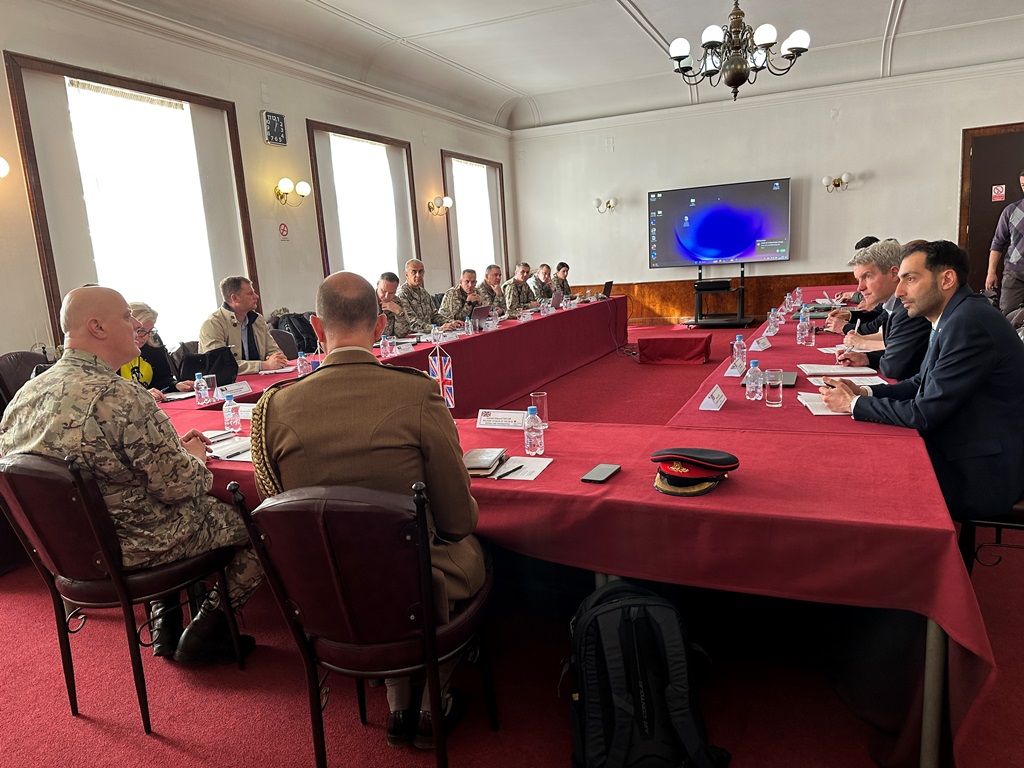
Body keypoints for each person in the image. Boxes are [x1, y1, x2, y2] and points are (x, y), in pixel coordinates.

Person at [250, 272, 485, 750]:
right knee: (460, 554)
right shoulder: (416, 392)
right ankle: (431, 700)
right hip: (415, 585)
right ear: (380, 327)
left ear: (316, 327)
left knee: (378, 565)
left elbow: (275, 512)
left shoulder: (273, 407)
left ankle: (398, 699)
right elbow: (458, 521)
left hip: (323, 590)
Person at [0, 286, 263, 663]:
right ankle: (209, 629)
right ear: (97, 327)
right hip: (135, 545)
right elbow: (181, 487)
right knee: (259, 523)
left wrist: (167, 450)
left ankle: (165, 620)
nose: (136, 326)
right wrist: (193, 457)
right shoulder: (118, 395)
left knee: (146, 495)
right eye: (127, 318)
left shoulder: (23, 398)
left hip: (66, 552)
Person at [819, 241, 1024, 521]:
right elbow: (920, 383)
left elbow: (924, 413)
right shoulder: (955, 314)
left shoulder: (967, 323)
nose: (899, 291)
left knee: (862, 484)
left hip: (981, 471)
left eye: (911, 279)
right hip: (964, 442)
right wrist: (865, 392)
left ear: (947, 279)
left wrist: (853, 404)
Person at [831, 240, 931, 380]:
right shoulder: (893, 305)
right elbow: (896, 352)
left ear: (894, 274)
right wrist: (866, 358)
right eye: (858, 280)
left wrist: (857, 338)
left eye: (867, 277)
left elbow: (894, 367)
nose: (860, 288)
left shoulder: (909, 309)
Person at [199, 276, 289, 374]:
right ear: (235, 298)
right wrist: (263, 365)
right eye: (250, 293)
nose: (256, 296)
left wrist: (276, 359)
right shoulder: (212, 324)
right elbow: (220, 365)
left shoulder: (257, 319)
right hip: (230, 382)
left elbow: (273, 350)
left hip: (262, 378)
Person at [119, 301, 194, 402]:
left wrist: (175, 385)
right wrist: (141, 394)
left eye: (150, 331)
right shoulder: (110, 351)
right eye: (140, 330)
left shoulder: (153, 340)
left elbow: (162, 378)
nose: (146, 337)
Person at [985, 170, 1024, 315]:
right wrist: (991, 272)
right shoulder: (1011, 211)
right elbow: (998, 243)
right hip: (1014, 273)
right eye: (1023, 185)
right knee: (1007, 316)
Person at [395, 259, 459, 334]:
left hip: (429, 334)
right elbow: (411, 322)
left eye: (420, 271)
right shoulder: (402, 294)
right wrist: (437, 329)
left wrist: (451, 322)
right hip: (413, 336)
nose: (418, 275)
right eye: (414, 272)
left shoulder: (423, 292)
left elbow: (434, 316)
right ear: (406, 274)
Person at [376, 271, 402, 337]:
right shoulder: (366, 301)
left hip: (390, 341)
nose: (386, 296)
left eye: (391, 293)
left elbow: (401, 334)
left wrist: (399, 313)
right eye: (383, 291)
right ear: (377, 284)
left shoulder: (396, 301)